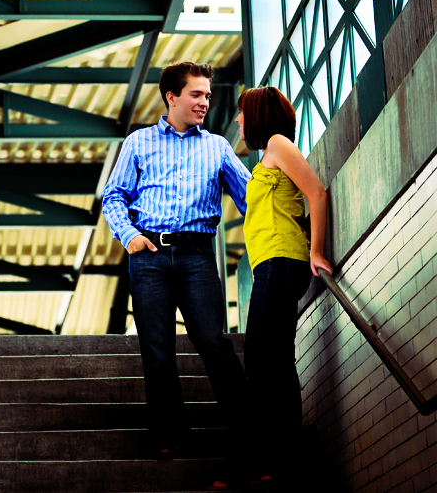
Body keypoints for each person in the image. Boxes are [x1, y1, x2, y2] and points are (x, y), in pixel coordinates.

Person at [102, 62, 251, 460]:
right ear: (172, 97)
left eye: (207, 94)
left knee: (213, 341)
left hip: (197, 256)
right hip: (148, 255)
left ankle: (248, 435)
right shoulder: (138, 142)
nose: (205, 101)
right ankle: (170, 437)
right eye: (196, 94)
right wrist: (130, 236)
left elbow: (251, 198)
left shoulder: (217, 146)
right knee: (157, 348)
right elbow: (113, 195)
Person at [235, 86, 332, 488]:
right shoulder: (265, 158)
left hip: (281, 261)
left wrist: (317, 251)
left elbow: (316, 192)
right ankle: (280, 461)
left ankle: (272, 461)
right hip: (270, 266)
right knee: (274, 362)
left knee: (261, 364)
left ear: (256, 114)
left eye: (242, 113)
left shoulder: (278, 144)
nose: (238, 120)